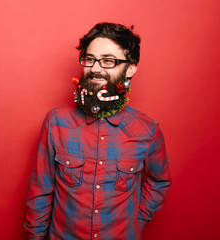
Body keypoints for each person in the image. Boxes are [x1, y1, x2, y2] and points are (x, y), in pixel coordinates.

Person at [24, 22, 171, 240]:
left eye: (108, 60)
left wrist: (137, 221)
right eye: (90, 59)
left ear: (130, 68)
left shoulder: (147, 130)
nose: (95, 67)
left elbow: (159, 181)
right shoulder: (57, 122)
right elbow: (41, 190)